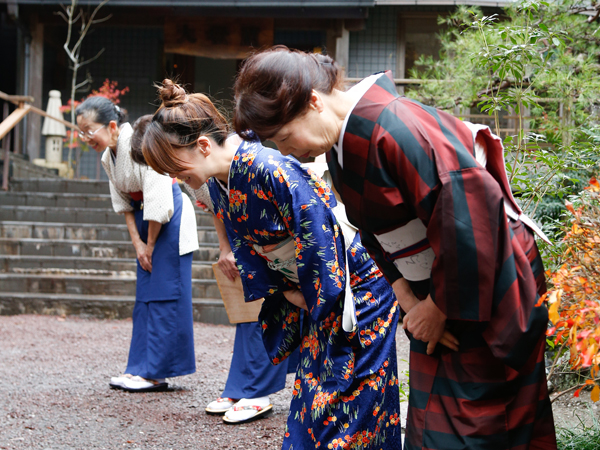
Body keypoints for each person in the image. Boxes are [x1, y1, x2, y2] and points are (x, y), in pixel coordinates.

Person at [232, 47, 557, 450]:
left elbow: (472, 216)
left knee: (484, 422)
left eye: (283, 137)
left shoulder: (397, 126)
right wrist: (404, 292)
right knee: (434, 419)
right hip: (437, 289)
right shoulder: (340, 144)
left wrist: (437, 309)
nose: (285, 152)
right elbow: (372, 231)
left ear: (313, 102)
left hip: (484, 281)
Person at [142, 80, 403, 449]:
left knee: (350, 401)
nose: (173, 177)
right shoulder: (221, 180)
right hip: (316, 290)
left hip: (353, 290)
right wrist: (288, 291)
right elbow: (251, 250)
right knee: (315, 401)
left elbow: (319, 229)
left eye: (175, 166)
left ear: (203, 146)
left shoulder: (266, 167)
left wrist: (310, 295)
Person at [75, 100, 199, 392]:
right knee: (144, 297)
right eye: (81, 133)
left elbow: (158, 196)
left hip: (169, 217)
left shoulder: (142, 140)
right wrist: (138, 244)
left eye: (89, 131)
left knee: (164, 295)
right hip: (145, 221)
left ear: (112, 126)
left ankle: (156, 372)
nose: (85, 138)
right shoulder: (110, 155)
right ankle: (139, 368)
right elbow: (123, 203)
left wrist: (150, 244)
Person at [189, 163, 296, 424]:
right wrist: (225, 248)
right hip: (243, 241)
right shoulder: (203, 172)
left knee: (267, 313)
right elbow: (216, 205)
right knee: (247, 317)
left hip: (274, 241)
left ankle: (259, 391)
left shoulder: (246, 163)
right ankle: (240, 387)